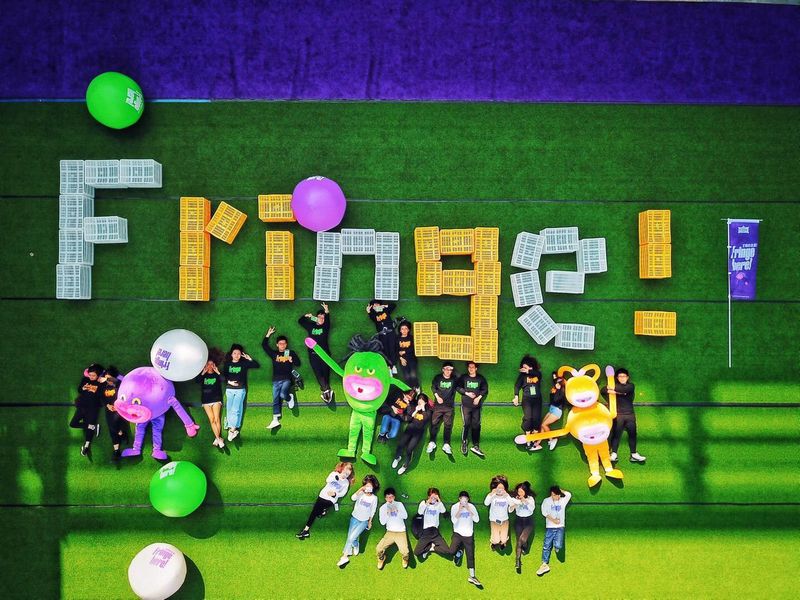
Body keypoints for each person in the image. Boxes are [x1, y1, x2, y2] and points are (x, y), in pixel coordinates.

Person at [296, 462, 355, 539]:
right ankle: (306, 530)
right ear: (342, 468)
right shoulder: (334, 474)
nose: (346, 473)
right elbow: (328, 480)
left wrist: (335, 494)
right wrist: (337, 478)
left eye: (348, 472)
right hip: (323, 495)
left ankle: (321, 512)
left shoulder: (346, 483)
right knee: (314, 512)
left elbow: (343, 493)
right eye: (346, 470)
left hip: (331, 500)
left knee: (316, 511)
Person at [262, 327, 302, 430]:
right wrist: (268, 334)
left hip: (287, 378)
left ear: (286, 344)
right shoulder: (274, 354)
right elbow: (264, 346)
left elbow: (298, 363)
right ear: (277, 345)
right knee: (275, 399)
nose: (282, 345)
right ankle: (275, 419)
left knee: (282, 395)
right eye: (280, 344)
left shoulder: (291, 353)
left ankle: (289, 398)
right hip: (276, 379)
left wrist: (292, 360)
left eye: (284, 344)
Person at [604, 368, 646, 463]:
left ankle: (634, 454)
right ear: (617, 378)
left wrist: (613, 391)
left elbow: (624, 389)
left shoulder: (631, 386)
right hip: (618, 415)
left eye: (624, 376)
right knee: (616, 434)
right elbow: (603, 390)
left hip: (630, 414)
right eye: (620, 376)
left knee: (632, 434)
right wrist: (618, 392)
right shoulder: (616, 385)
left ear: (627, 377)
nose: (622, 378)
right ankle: (614, 453)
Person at [338, 474, 380, 567]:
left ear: (373, 487)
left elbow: (373, 510)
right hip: (354, 518)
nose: (368, 487)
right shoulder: (361, 494)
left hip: (364, 521)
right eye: (366, 485)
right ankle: (356, 544)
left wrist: (370, 522)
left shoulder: (374, 498)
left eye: (370, 485)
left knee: (351, 538)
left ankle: (344, 556)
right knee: (350, 537)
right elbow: (352, 498)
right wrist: (360, 489)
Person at [222, 344, 260, 441]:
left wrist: (249, 358)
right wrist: (229, 382)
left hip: (240, 389)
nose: (236, 355)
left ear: (241, 355)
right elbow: (223, 377)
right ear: (231, 354)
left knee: (236, 410)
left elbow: (256, 365)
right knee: (230, 409)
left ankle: (232, 430)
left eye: (238, 353)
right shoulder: (227, 364)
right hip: (229, 389)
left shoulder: (244, 363)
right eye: (235, 353)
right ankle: (233, 426)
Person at [298, 303, 334, 403]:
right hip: (313, 354)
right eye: (319, 317)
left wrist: (326, 310)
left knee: (325, 373)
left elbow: (327, 319)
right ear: (316, 318)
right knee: (318, 373)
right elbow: (300, 321)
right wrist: (306, 316)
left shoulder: (325, 327)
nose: (321, 319)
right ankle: (326, 391)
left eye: (323, 317)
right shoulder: (311, 326)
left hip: (324, 353)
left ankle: (326, 391)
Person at [391, 393, 433, 475]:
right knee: (401, 444)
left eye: (422, 401)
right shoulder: (415, 407)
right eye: (419, 400)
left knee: (409, 449)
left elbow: (426, 419)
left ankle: (405, 466)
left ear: (425, 402)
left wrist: (423, 408)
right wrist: (416, 409)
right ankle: (397, 458)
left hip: (418, 432)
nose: (420, 402)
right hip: (410, 428)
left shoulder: (428, 411)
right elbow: (410, 414)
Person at [536, 485, 572, 576]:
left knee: (558, 546)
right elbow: (544, 512)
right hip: (550, 527)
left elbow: (568, 494)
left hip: (560, 527)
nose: (554, 496)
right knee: (546, 545)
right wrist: (553, 520)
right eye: (553, 495)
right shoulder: (546, 501)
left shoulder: (563, 501)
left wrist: (559, 490)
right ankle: (544, 564)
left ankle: (556, 545)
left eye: (556, 495)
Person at [449, 491, 482, 587]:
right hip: (458, 533)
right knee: (451, 551)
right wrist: (459, 510)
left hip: (468, 534)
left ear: (468, 499)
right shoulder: (455, 507)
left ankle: (472, 576)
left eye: (466, 500)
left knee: (470, 555)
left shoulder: (471, 507)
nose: (464, 501)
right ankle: (458, 551)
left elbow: (477, 520)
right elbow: (453, 521)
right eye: (462, 499)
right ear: (459, 499)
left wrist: (468, 509)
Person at [70, 363, 104, 457]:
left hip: (93, 408)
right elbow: (79, 390)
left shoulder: (100, 383)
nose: (91, 377)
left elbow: (102, 395)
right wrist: (83, 388)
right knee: (73, 424)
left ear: (98, 375)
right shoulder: (85, 379)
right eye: (90, 375)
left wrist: (95, 391)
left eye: (93, 375)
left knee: (89, 429)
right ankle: (93, 427)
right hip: (82, 406)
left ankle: (86, 446)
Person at [457, 361, 489, 457]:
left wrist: (478, 398)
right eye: (469, 367)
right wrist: (467, 393)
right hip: (465, 406)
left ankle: (476, 445)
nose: (471, 369)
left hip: (476, 407)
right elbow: (458, 387)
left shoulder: (480, 378)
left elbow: (485, 389)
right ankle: (464, 442)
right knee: (466, 424)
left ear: (476, 368)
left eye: (472, 367)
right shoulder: (464, 377)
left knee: (476, 425)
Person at [513, 355, 543, 451]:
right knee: (528, 418)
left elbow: (537, 374)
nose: (524, 369)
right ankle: (528, 441)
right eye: (523, 367)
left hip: (537, 399)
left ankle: (533, 440)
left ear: (531, 366)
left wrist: (528, 371)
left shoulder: (537, 374)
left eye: (526, 367)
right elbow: (517, 386)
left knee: (536, 419)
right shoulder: (522, 376)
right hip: (527, 399)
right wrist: (516, 396)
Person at [197, 348, 225, 448]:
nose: (209, 366)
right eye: (208, 364)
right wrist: (203, 373)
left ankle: (218, 439)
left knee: (217, 419)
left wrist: (217, 372)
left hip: (216, 399)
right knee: (212, 420)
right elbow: (197, 381)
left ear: (214, 365)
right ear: (205, 365)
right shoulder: (203, 376)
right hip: (206, 400)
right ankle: (218, 438)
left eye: (211, 364)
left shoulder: (217, 375)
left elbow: (223, 379)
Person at [375, 487, 410, 570]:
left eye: (391, 497)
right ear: (385, 498)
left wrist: (397, 511)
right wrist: (387, 514)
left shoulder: (399, 504)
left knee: (405, 552)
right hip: (390, 532)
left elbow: (405, 516)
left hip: (401, 532)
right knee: (378, 549)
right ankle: (381, 558)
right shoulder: (383, 508)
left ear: (394, 497)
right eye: (387, 497)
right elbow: (382, 522)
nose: (389, 499)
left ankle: (405, 560)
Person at [428, 362, 457, 456]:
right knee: (434, 423)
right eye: (447, 369)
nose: (448, 371)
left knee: (448, 425)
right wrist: (437, 397)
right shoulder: (438, 378)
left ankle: (446, 444)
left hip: (449, 407)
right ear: (443, 369)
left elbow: (461, 385)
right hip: (438, 406)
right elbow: (433, 387)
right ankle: (432, 442)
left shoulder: (454, 379)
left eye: (450, 369)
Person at [415, 487, 451, 561]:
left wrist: (439, 501)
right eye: (432, 497)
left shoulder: (438, 505)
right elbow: (420, 512)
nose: (433, 499)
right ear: (428, 497)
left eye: (435, 497)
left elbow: (444, 512)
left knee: (447, 551)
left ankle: (433, 548)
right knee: (417, 552)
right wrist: (427, 503)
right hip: (426, 532)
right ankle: (429, 547)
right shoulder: (424, 503)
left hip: (435, 532)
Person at [100, 366, 127, 461]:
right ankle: (117, 450)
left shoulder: (120, 385)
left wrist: (117, 406)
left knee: (115, 423)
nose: (108, 381)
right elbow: (102, 398)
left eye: (110, 378)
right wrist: (107, 405)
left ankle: (121, 434)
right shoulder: (104, 386)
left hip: (119, 408)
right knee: (112, 428)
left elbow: (124, 397)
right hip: (109, 409)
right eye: (106, 378)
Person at [510, 481, 536, 573]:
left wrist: (524, 501)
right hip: (519, 521)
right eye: (518, 491)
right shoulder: (515, 499)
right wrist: (514, 505)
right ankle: (517, 560)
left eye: (521, 491)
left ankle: (525, 545)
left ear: (525, 491)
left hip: (528, 521)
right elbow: (510, 510)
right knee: (519, 541)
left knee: (523, 539)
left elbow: (532, 508)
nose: (520, 493)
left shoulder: (530, 499)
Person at [366, 300, 398, 368]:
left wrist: (384, 306)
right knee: (385, 349)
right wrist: (369, 311)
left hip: (390, 332)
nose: (376, 306)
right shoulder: (374, 315)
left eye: (377, 304)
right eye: (374, 306)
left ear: (380, 305)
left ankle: (394, 365)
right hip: (382, 334)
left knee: (392, 348)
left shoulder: (385, 310)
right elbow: (372, 316)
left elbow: (394, 305)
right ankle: (388, 366)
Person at [540, 371, 566, 451]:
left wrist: (554, 392)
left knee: (544, 425)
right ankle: (538, 442)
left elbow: (555, 400)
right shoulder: (556, 387)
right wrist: (554, 375)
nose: (557, 385)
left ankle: (552, 440)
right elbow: (554, 380)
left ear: (561, 385)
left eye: (559, 384)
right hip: (552, 409)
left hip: (557, 411)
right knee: (542, 425)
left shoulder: (561, 393)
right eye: (556, 383)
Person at [484, 475, 511, 551]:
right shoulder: (493, 496)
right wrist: (491, 494)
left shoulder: (506, 496)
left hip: (504, 520)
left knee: (504, 539)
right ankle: (493, 542)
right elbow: (486, 503)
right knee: (496, 540)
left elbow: (511, 503)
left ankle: (503, 543)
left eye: (502, 488)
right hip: (494, 521)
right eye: (498, 488)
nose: (500, 490)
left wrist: (507, 495)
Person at [395, 320, 419, 390]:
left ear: (408, 330)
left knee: (413, 374)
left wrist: (404, 351)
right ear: (400, 330)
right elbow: (395, 350)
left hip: (412, 358)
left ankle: (417, 387)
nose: (404, 330)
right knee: (407, 376)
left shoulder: (411, 338)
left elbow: (413, 348)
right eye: (402, 329)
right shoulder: (397, 339)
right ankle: (410, 388)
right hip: (403, 359)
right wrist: (401, 358)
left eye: (406, 328)